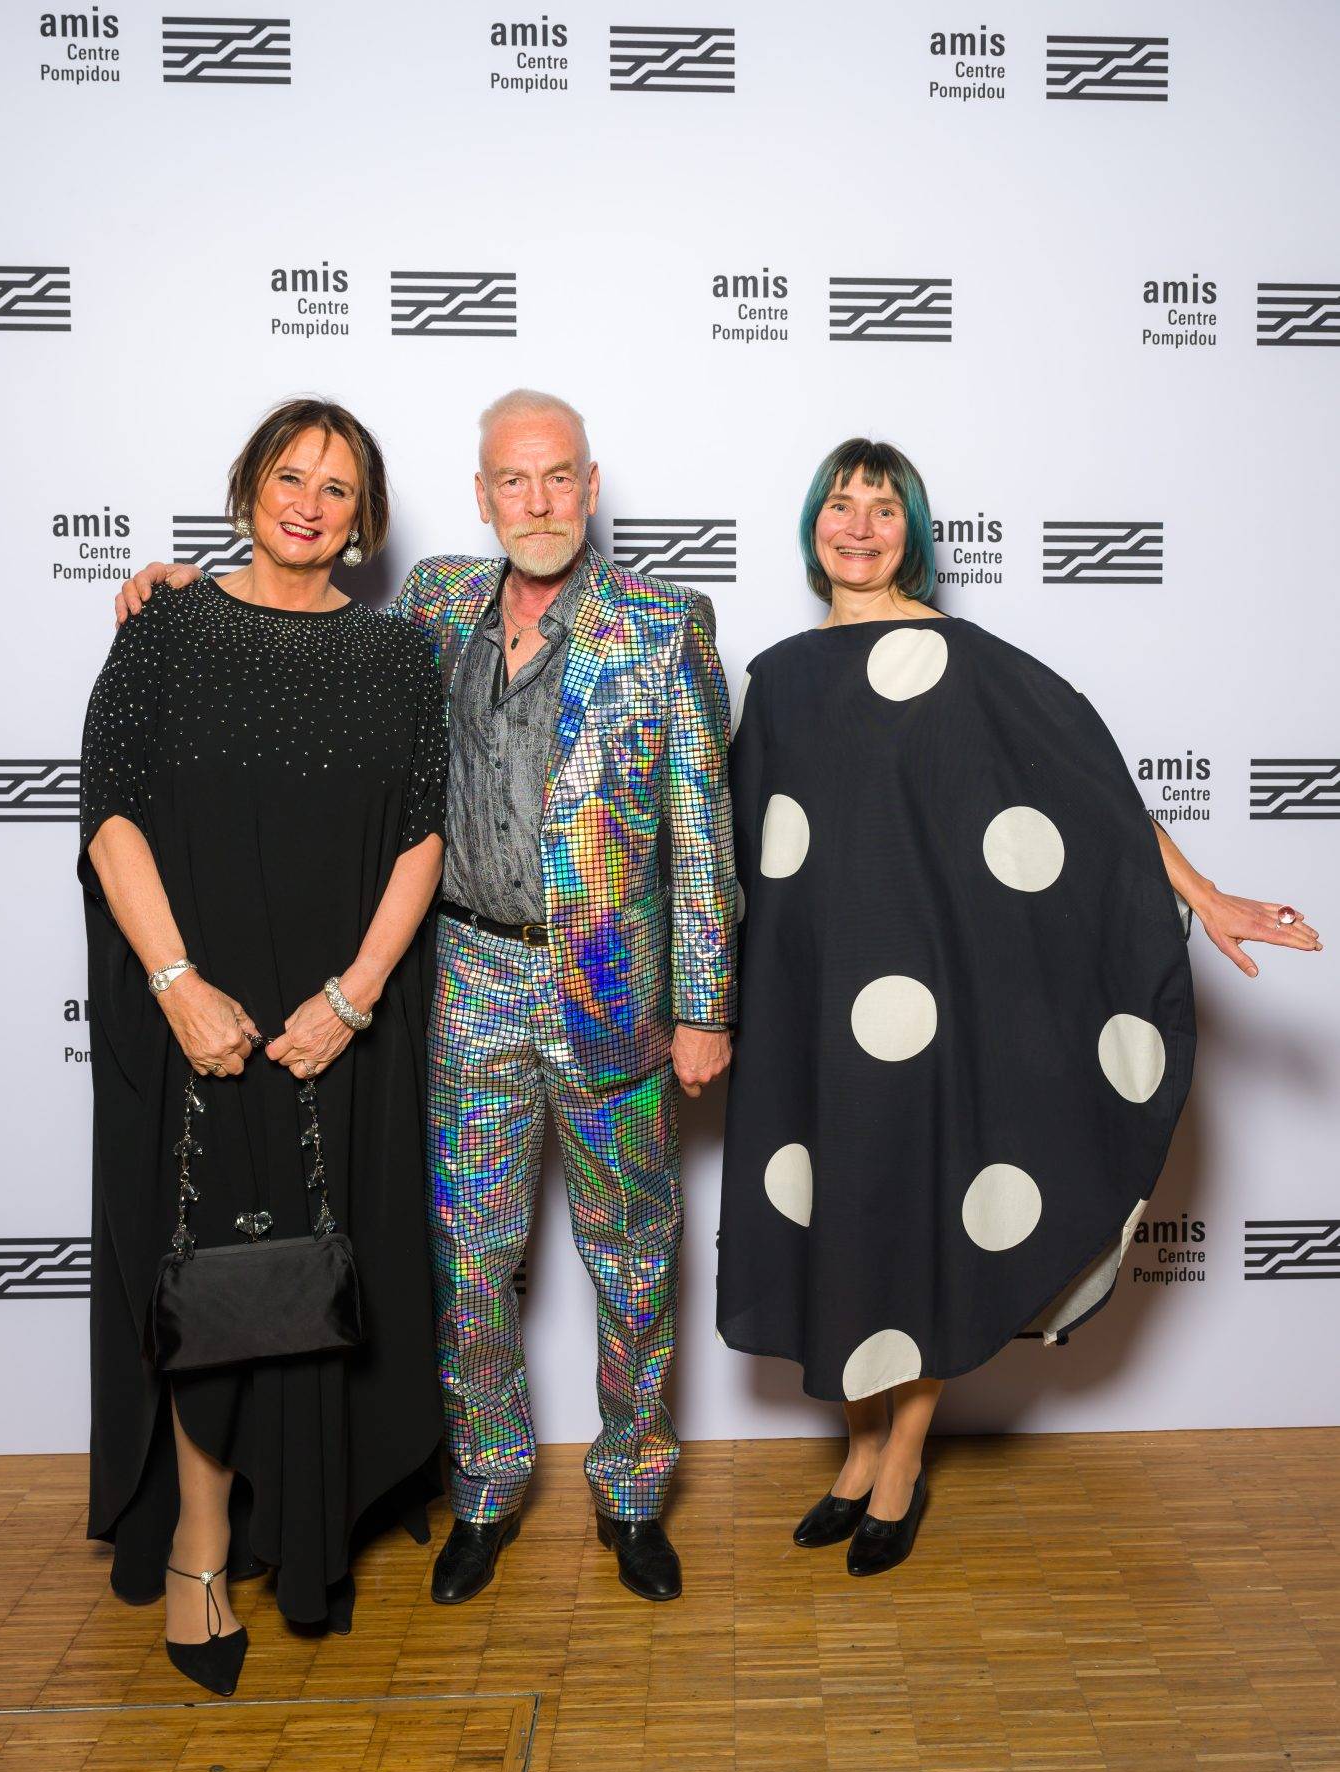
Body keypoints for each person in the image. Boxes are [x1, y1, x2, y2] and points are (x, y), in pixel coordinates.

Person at [115, 388, 738, 1607]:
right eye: (515, 481)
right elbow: (299, 621)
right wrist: (181, 584)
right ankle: (491, 1484)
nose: (539, 502)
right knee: (469, 1258)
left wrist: (705, 1004)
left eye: (559, 477)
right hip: (467, 976)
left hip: (615, 992)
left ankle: (629, 1488)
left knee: (632, 1254)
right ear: (481, 496)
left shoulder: (666, 625)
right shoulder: (437, 601)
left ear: (591, 484)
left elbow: (703, 837)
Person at [717, 437, 1323, 1578]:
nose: (859, 526)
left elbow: (1089, 796)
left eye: (884, 508)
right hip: (814, 1008)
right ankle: (854, 1453)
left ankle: (902, 1457)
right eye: (840, 505)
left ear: (916, 534)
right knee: (845, 1218)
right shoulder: (782, 677)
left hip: (936, 1003)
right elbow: (729, 858)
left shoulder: (967, 661)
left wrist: (1208, 895)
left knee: (923, 1213)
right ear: (811, 526)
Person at [83, 396, 447, 1692]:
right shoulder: (167, 628)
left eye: (338, 488)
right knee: (214, 1282)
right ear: (248, 489)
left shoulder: (401, 657)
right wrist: (178, 984)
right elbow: (110, 816)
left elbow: (422, 836)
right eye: (291, 476)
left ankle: (304, 1530)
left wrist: (352, 998)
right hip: (204, 1014)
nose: (310, 502)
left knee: (311, 1281)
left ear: (366, 523)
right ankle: (194, 1547)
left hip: (328, 1021)